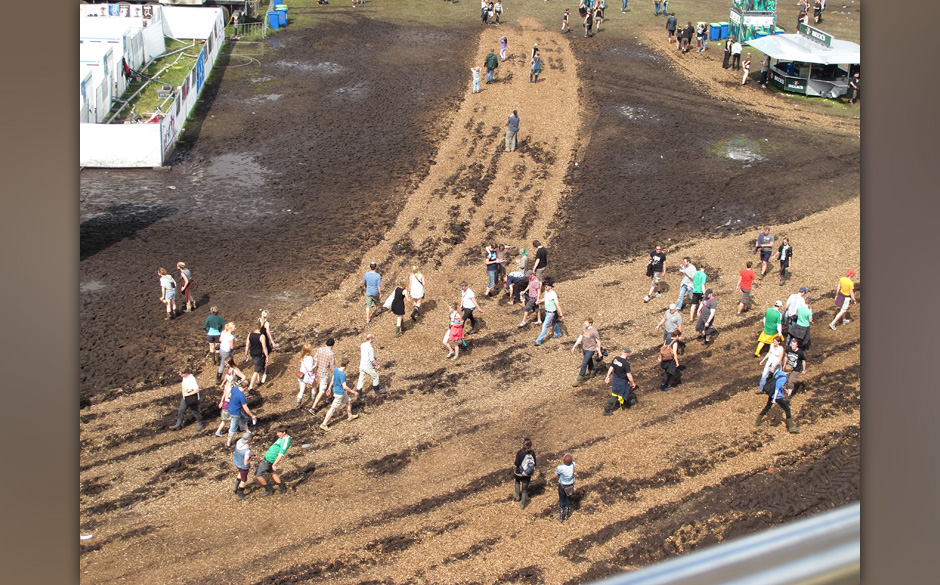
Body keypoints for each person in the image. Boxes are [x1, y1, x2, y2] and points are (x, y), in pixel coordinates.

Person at [755, 368, 799, 433]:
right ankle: (791, 427)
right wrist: (775, 399)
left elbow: (777, 384)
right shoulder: (784, 378)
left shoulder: (779, 373)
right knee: (787, 409)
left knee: (767, 407)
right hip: (777, 396)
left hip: (771, 393)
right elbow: (777, 388)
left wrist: (784, 390)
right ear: (790, 371)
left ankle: (758, 422)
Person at [320, 361, 360, 431]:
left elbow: (332, 379)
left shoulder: (336, 370)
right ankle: (324, 424)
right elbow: (345, 387)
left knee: (348, 401)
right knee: (333, 409)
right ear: (346, 365)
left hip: (337, 390)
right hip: (339, 393)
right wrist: (353, 392)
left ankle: (350, 416)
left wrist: (329, 388)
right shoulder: (342, 374)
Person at [255, 428, 292, 497]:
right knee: (272, 472)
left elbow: (280, 455)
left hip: (268, 461)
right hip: (268, 459)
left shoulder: (285, 442)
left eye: (279, 433)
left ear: (283, 432)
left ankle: (268, 490)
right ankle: (282, 488)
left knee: (258, 475)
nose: (277, 435)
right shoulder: (283, 437)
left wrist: (274, 464)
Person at [216, 360, 248, 437]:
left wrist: (239, 385)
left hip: (229, 401)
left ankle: (241, 426)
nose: (225, 364)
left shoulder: (235, 371)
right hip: (229, 404)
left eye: (226, 363)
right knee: (233, 416)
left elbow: (243, 377)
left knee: (236, 414)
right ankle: (221, 431)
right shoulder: (229, 387)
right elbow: (226, 395)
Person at [604, 347, 638, 415]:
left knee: (616, 393)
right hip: (622, 382)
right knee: (617, 395)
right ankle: (606, 410)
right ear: (627, 353)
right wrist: (633, 383)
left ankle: (623, 403)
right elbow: (629, 375)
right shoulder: (626, 364)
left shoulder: (616, 359)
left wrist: (607, 376)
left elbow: (611, 367)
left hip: (615, 380)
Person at [225, 378, 256, 447]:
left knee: (243, 419)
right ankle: (228, 443)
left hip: (231, 408)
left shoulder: (235, 388)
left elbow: (231, 396)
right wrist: (251, 415)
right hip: (235, 412)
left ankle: (248, 432)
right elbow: (245, 408)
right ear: (245, 387)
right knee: (233, 428)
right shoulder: (242, 395)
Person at [571, 318, 602, 386]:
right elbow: (580, 337)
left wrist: (599, 351)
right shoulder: (583, 328)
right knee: (589, 360)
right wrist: (574, 346)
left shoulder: (594, 331)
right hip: (584, 348)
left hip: (591, 349)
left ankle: (579, 379)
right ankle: (592, 371)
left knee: (584, 364)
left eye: (586, 323)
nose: (584, 324)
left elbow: (598, 341)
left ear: (590, 323)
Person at [309, 338, 337, 413]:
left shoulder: (320, 349)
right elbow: (332, 367)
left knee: (331, 382)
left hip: (319, 371)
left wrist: (314, 369)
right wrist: (337, 373)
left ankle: (330, 397)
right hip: (324, 374)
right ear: (333, 345)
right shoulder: (331, 354)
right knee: (321, 391)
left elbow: (315, 359)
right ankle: (313, 407)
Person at [535, 278, 564, 346]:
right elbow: (545, 299)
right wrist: (540, 301)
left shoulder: (553, 294)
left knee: (544, 325)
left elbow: (557, 304)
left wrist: (561, 315)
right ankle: (558, 333)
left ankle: (538, 341)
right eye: (544, 286)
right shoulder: (546, 292)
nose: (545, 287)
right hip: (547, 311)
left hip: (551, 313)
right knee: (553, 323)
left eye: (546, 286)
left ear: (550, 286)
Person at [244, 321, 269, 391]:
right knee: (256, 370)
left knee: (256, 366)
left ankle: (258, 381)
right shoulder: (262, 336)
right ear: (260, 327)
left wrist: (246, 353)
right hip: (258, 354)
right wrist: (267, 356)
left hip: (252, 353)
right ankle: (250, 387)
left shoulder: (250, 334)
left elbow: (247, 345)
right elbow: (264, 347)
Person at [513, 438, 536, 509]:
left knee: (517, 481)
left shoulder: (520, 452)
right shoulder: (532, 453)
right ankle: (522, 504)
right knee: (525, 489)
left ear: (523, 444)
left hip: (519, 473)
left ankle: (517, 496)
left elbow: (516, 463)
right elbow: (535, 463)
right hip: (527, 474)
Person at [232, 431, 253, 501]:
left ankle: (235, 488)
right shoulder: (247, 450)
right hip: (243, 466)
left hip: (236, 461)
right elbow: (245, 462)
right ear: (249, 439)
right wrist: (251, 458)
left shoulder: (238, 441)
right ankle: (240, 495)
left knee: (240, 473)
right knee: (243, 480)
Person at [555, 454, 576, 522]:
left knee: (561, 499)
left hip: (562, 486)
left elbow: (557, 473)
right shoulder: (573, 465)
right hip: (570, 485)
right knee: (568, 499)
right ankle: (566, 514)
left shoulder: (561, 467)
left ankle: (560, 515)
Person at [258, 310, 278, 383]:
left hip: (258, 338)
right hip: (264, 339)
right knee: (268, 349)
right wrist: (272, 342)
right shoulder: (266, 323)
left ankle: (261, 365)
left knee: (262, 351)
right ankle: (262, 366)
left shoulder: (259, 320)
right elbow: (268, 333)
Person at [295, 344, 317, 409]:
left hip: (301, 375)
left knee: (301, 390)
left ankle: (298, 404)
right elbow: (310, 368)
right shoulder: (309, 358)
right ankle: (313, 401)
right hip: (307, 376)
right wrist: (315, 365)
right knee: (314, 386)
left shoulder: (303, 357)